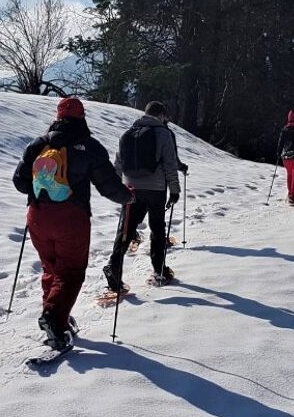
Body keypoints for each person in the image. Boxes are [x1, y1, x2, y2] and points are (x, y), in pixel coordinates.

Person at [13, 97, 133, 351]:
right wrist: (127, 196)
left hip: (37, 217)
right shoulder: (89, 146)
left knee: (51, 268)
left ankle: (56, 315)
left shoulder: (38, 144)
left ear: (57, 117)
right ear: (82, 117)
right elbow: (108, 185)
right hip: (71, 218)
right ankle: (55, 319)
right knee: (70, 271)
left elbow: (20, 182)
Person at [105, 100, 183, 290]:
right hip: (155, 188)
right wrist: (174, 190)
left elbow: (118, 163)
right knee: (157, 228)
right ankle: (159, 270)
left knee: (126, 228)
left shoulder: (128, 133)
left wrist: (119, 188)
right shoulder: (163, 134)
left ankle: (114, 266)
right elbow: (170, 164)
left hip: (130, 188)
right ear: (161, 115)